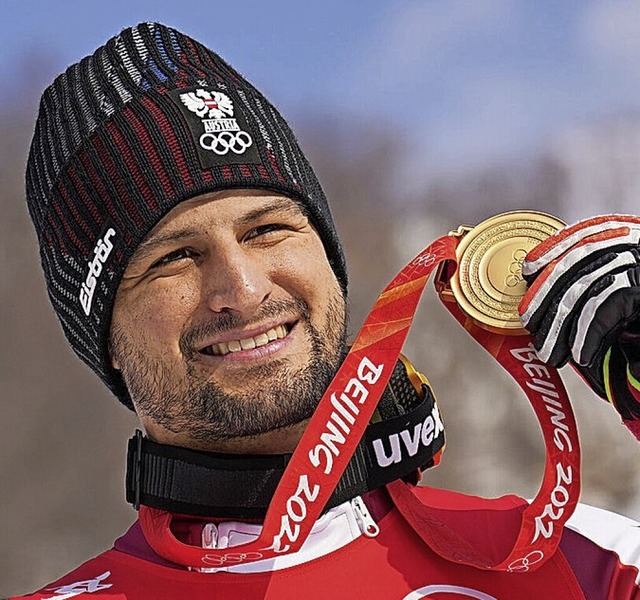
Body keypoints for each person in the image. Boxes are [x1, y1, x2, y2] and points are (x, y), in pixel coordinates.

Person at [12, 22, 640, 599]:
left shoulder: (586, 563)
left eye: (267, 230)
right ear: (106, 338)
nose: (243, 287)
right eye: (174, 257)